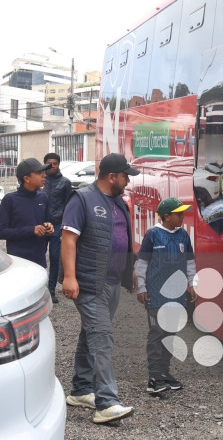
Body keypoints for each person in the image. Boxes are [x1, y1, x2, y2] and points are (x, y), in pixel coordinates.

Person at [61, 153, 139, 424]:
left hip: (113, 281)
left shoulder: (119, 202)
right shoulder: (82, 199)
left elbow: (124, 240)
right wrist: (69, 277)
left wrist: (130, 273)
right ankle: (106, 403)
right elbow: (68, 238)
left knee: (91, 333)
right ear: (111, 176)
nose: (128, 180)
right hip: (89, 281)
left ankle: (81, 390)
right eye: (125, 176)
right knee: (102, 337)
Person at [135, 197, 195, 395]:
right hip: (155, 295)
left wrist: (192, 284)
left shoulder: (183, 235)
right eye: (179, 214)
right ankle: (154, 377)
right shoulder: (153, 235)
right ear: (167, 216)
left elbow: (190, 262)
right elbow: (142, 264)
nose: (182, 217)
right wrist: (141, 288)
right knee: (157, 334)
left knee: (170, 334)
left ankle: (164, 373)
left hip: (176, 296)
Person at [0, 158, 54, 266]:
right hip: (19, 262)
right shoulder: (10, 200)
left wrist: (49, 226)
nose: (44, 175)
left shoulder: (43, 196)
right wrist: (31, 230)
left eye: (43, 172)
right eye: (39, 173)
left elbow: (47, 220)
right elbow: (0, 232)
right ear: (26, 178)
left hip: (39, 260)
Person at [42, 153, 72, 303]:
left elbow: (69, 205)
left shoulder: (65, 182)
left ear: (59, 164)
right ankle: (38, 289)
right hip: (40, 225)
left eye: (55, 163)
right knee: (40, 258)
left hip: (58, 225)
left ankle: (51, 289)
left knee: (54, 258)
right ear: (45, 165)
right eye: (49, 163)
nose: (52, 166)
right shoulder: (40, 181)